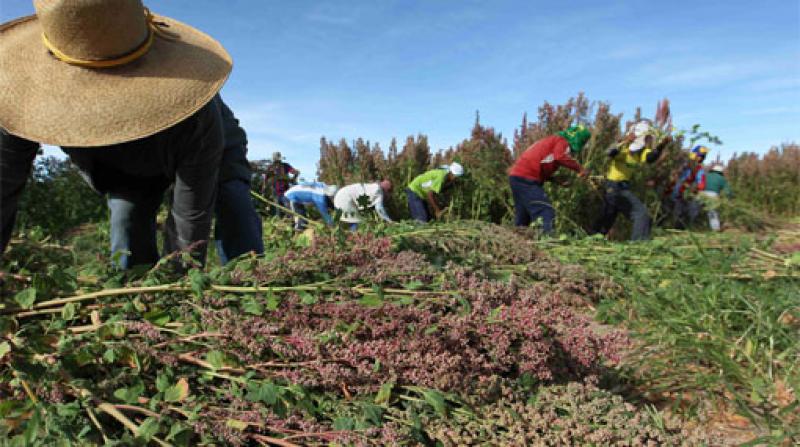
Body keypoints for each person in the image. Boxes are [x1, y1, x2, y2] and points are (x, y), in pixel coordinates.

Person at [0, 0, 233, 268]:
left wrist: (181, 289)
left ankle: (258, 284)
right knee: (127, 232)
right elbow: (3, 183)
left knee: (234, 206)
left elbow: (190, 218)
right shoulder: (21, 101)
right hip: (126, 168)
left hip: (205, 152)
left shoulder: (197, 116)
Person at [592, 121, 671, 241]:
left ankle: (592, 240)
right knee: (641, 214)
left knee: (607, 218)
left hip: (623, 187)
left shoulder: (640, 153)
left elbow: (650, 158)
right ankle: (639, 244)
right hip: (614, 186)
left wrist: (662, 145)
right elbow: (609, 152)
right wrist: (625, 141)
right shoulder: (624, 148)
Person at [509, 126, 590, 233]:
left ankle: (517, 243)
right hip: (526, 179)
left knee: (523, 217)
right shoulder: (562, 141)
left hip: (516, 177)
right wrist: (580, 169)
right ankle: (545, 243)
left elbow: (540, 163)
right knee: (545, 210)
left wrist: (555, 180)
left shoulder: (551, 141)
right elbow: (559, 157)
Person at [670, 145, 708, 229]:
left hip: (687, 196)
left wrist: (693, 188)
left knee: (689, 213)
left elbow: (701, 185)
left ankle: (688, 228)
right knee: (677, 215)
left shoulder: (699, 170)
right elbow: (674, 176)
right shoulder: (684, 165)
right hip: (677, 195)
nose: (701, 159)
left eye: (703, 157)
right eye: (700, 156)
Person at [700, 164, 732, 231]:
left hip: (701, 194)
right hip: (713, 195)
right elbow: (727, 190)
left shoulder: (706, 175)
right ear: (720, 172)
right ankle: (715, 229)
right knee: (712, 213)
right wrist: (729, 199)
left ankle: (696, 226)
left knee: (699, 211)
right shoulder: (721, 178)